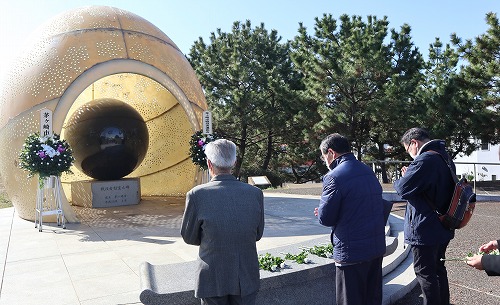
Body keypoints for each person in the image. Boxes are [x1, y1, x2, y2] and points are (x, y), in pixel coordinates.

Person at [181, 139, 265, 305]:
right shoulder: (255, 193)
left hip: (212, 275)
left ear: (209, 163)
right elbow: (257, 233)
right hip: (245, 276)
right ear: (233, 162)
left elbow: (189, 237)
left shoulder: (196, 195)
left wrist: (211, 238)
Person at [314, 133, 386, 305]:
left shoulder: (333, 177)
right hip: (375, 249)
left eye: (324, 156)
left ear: (331, 153)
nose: (325, 160)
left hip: (351, 253)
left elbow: (325, 218)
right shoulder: (367, 170)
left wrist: (322, 211)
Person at [393, 127, 456, 305]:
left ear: (414, 143)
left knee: (425, 273)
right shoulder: (444, 157)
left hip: (424, 227)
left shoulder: (424, 160)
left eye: (408, 149)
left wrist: (404, 177)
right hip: (443, 223)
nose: (410, 154)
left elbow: (402, 189)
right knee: (438, 269)